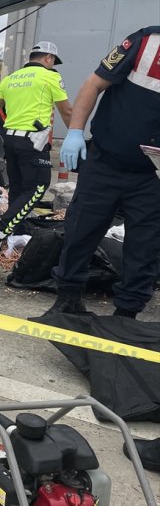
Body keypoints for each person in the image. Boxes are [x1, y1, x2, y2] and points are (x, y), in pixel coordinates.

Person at [45, 26, 160, 318]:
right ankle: (68, 298)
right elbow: (93, 85)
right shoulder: (145, 42)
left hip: (153, 177)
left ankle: (127, 314)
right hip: (106, 162)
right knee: (80, 231)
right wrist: (74, 132)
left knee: (145, 247)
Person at [0, 41, 73, 253]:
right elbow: (67, 111)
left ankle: (16, 231)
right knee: (38, 187)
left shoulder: (10, 78)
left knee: (19, 187)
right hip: (33, 142)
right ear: (48, 58)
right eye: (53, 62)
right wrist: (75, 134)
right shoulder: (50, 77)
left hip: (10, 140)